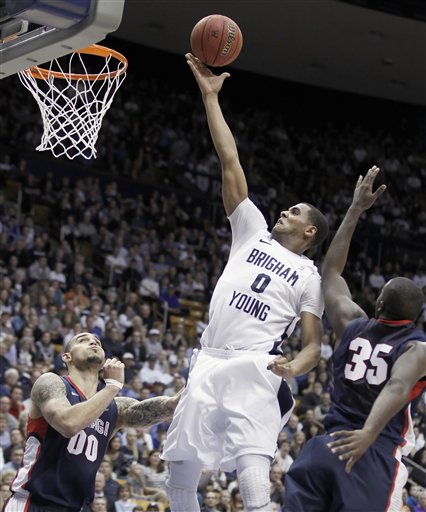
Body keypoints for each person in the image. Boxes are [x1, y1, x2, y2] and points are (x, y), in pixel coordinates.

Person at [161, 53, 329, 511]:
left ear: (309, 232)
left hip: (257, 365)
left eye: (294, 212)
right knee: (179, 473)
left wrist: (295, 367)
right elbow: (229, 159)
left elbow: (313, 344)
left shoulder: (309, 276)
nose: (283, 212)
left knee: (253, 477)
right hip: (209, 360)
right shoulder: (251, 229)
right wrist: (211, 98)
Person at [283, 167, 426, 512]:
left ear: (377, 305)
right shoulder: (416, 348)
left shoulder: (352, 323)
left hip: (322, 449)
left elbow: (330, 271)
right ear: (417, 317)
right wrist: (367, 434)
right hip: (370, 453)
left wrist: (355, 210)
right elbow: (395, 387)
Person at [3, 332, 181, 512]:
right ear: (67, 357)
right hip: (33, 503)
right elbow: (68, 423)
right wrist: (112, 387)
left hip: (75, 507)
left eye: (97, 342)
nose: (92, 342)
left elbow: (171, 406)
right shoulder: (51, 383)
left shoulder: (115, 408)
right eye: (83, 340)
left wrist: (202, 375)